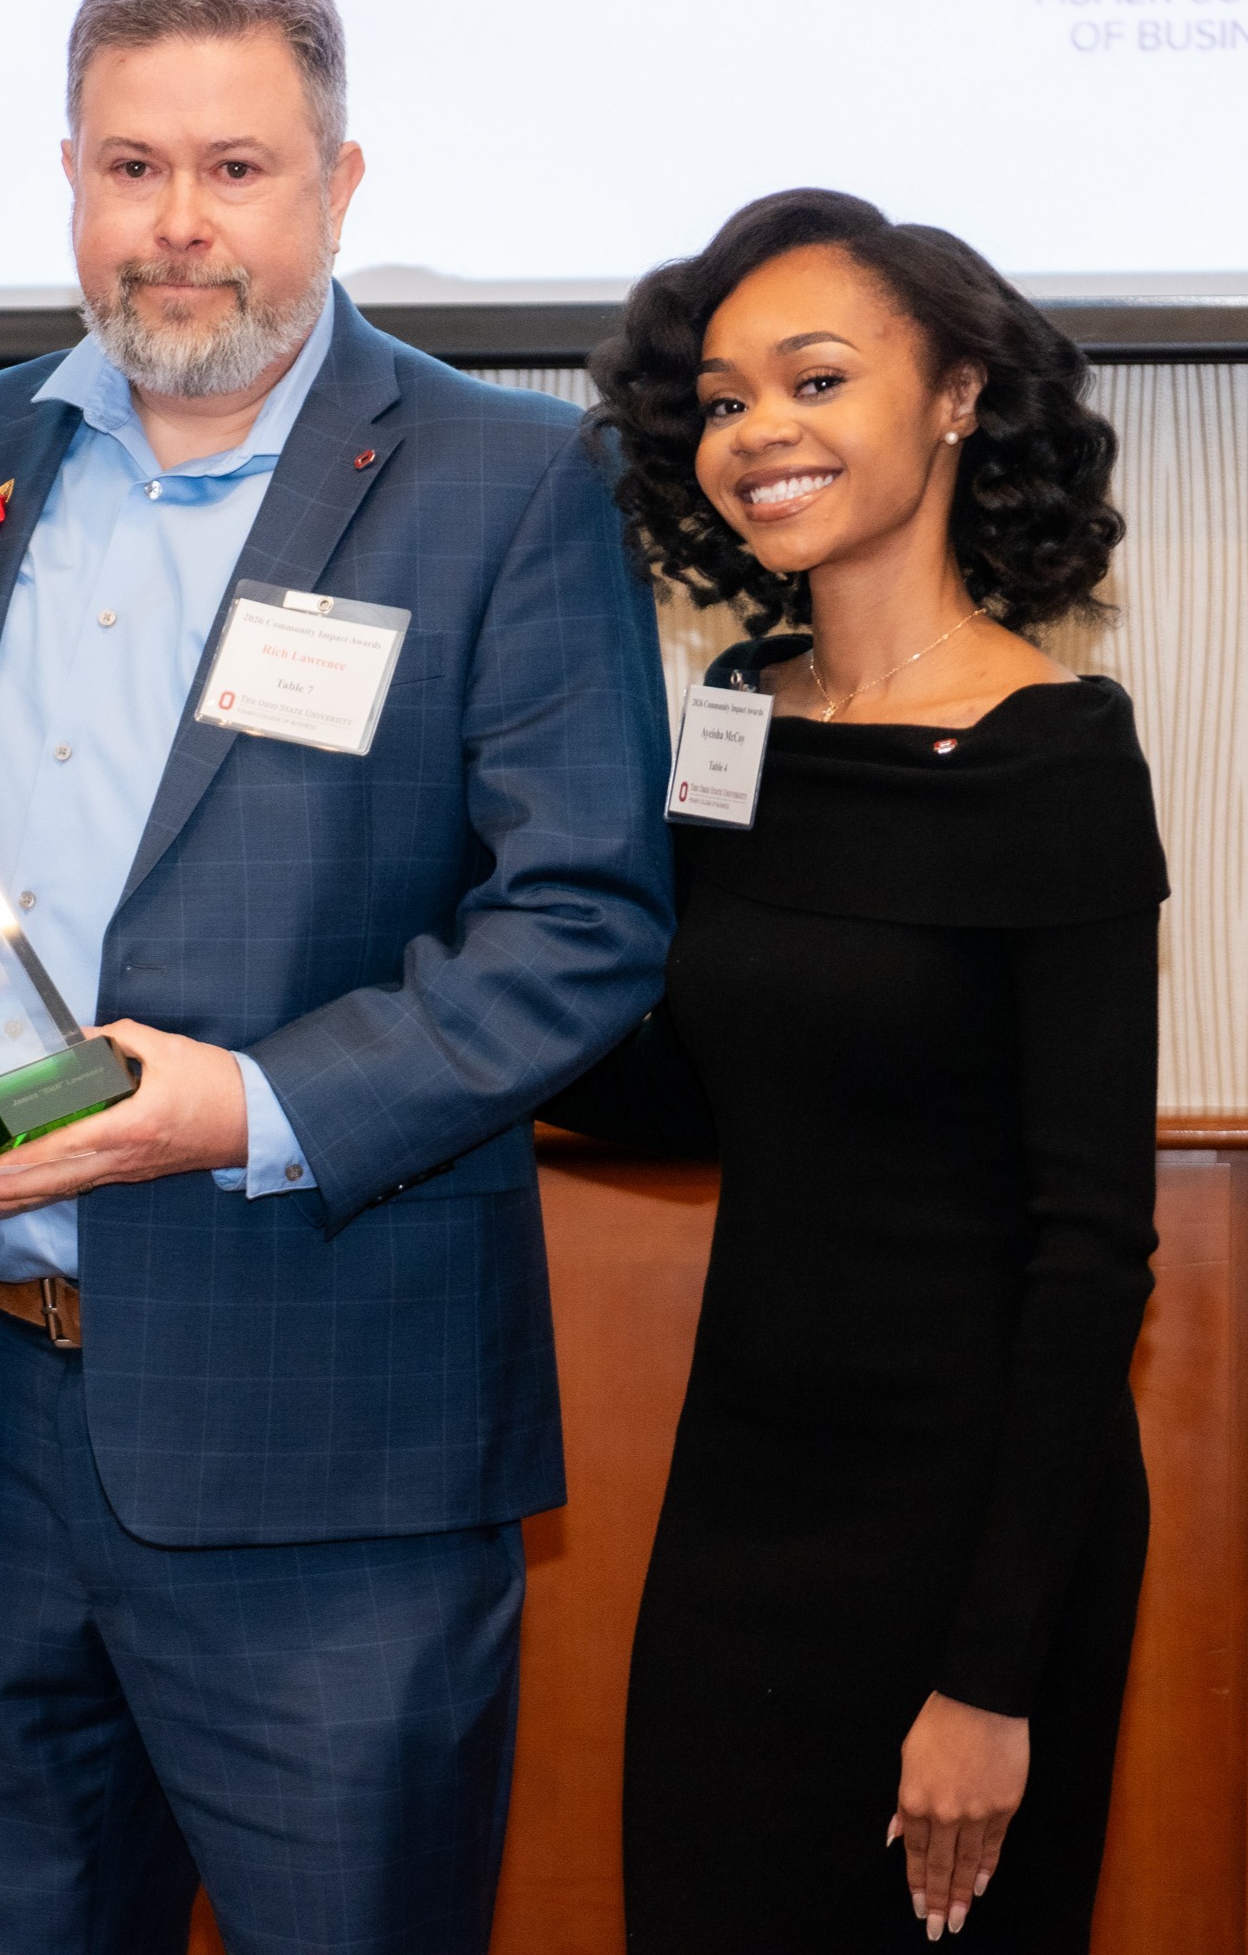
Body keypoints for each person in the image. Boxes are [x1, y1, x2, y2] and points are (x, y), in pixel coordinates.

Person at [0, 0, 674, 1954]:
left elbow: (584, 925)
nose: (179, 224)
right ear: (69, 180)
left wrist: (245, 1104)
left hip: (331, 1451)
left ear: (338, 185)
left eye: (237, 167)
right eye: (131, 165)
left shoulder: (504, 479)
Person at [548, 188, 1165, 1952]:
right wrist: (459, 1024)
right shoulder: (735, 712)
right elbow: (694, 1088)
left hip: (973, 1527)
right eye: (725, 401)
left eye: (813, 379)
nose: (760, 435)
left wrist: (988, 1674)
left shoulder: (1056, 750)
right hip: (745, 1494)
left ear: (956, 393)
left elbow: (1088, 1241)